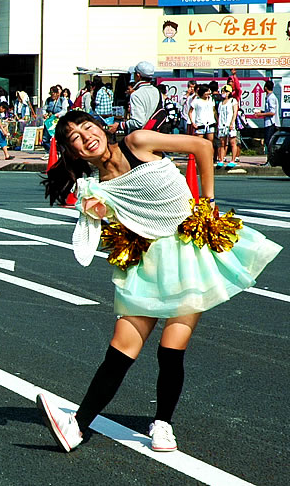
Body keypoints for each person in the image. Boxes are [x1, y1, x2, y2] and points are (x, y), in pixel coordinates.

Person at [37, 110, 280, 454]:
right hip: (148, 264)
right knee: (121, 348)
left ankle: (163, 424)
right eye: (75, 137)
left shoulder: (138, 141)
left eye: (87, 127)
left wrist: (208, 199)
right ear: (74, 152)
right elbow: (106, 234)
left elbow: (202, 147)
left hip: (189, 253)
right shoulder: (96, 187)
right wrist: (99, 215)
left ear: (101, 128)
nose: (85, 136)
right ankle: (77, 427)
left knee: (171, 349)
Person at [112, 62, 159, 135]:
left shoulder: (136, 94)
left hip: (141, 136)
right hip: (155, 134)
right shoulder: (156, 91)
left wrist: (120, 125)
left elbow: (138, 122)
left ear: (138, 75)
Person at [253, 80, 279, 157]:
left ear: (265, 88)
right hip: (268, 122)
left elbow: (272, 112)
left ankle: (271, 158)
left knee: (269, 142)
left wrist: (261, 114)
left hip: (271, 123)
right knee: (268, 142)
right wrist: (261, 111)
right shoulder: (269, 97)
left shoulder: (271, 98)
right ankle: (269, 158)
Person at [216, 84, 239, 167]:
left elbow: (235, 112)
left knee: (232, 142)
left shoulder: (233, 101)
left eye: (225, 91)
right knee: (222, 143)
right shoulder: (221, 103)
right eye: (222, 91)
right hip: (222, 125)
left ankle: (233, 160)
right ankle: (221, 159)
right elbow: (218, 114)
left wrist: (232, 122)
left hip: (230, 124)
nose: (223, 93)